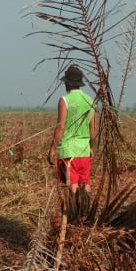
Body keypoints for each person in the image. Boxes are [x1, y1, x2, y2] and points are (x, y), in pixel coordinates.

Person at [48, 64, 98, 194]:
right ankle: (86, 212)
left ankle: (74, 213)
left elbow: (61, 126)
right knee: (85, 183)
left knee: (72, 185)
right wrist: (91, 147)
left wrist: (53, 149)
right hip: (84, 150)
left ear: (67, 84)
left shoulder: (65, 100)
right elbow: (93, 130)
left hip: (69, 151)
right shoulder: (90, 101)